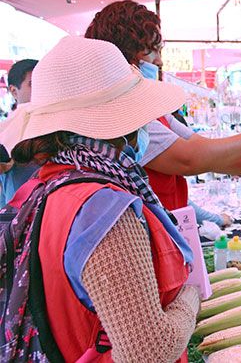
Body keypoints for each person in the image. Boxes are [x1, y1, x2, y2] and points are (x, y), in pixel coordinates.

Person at [0, 37, 201, 361]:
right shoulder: (104, 209)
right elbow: (148, 352)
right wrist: (191, 299)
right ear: (123, 123)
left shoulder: (53, 183)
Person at [85, 0, 241, 214]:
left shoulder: (149, 109)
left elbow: (199, 145)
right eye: (151, 51)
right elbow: (189, 158)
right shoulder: (120, 114)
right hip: (142, 230)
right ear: (125, 55)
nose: (160, 61)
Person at [0, 59, 39, 207]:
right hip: (18, 209)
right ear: (14, 91)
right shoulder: (5, 129)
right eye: (32, 84)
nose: (40, 90)